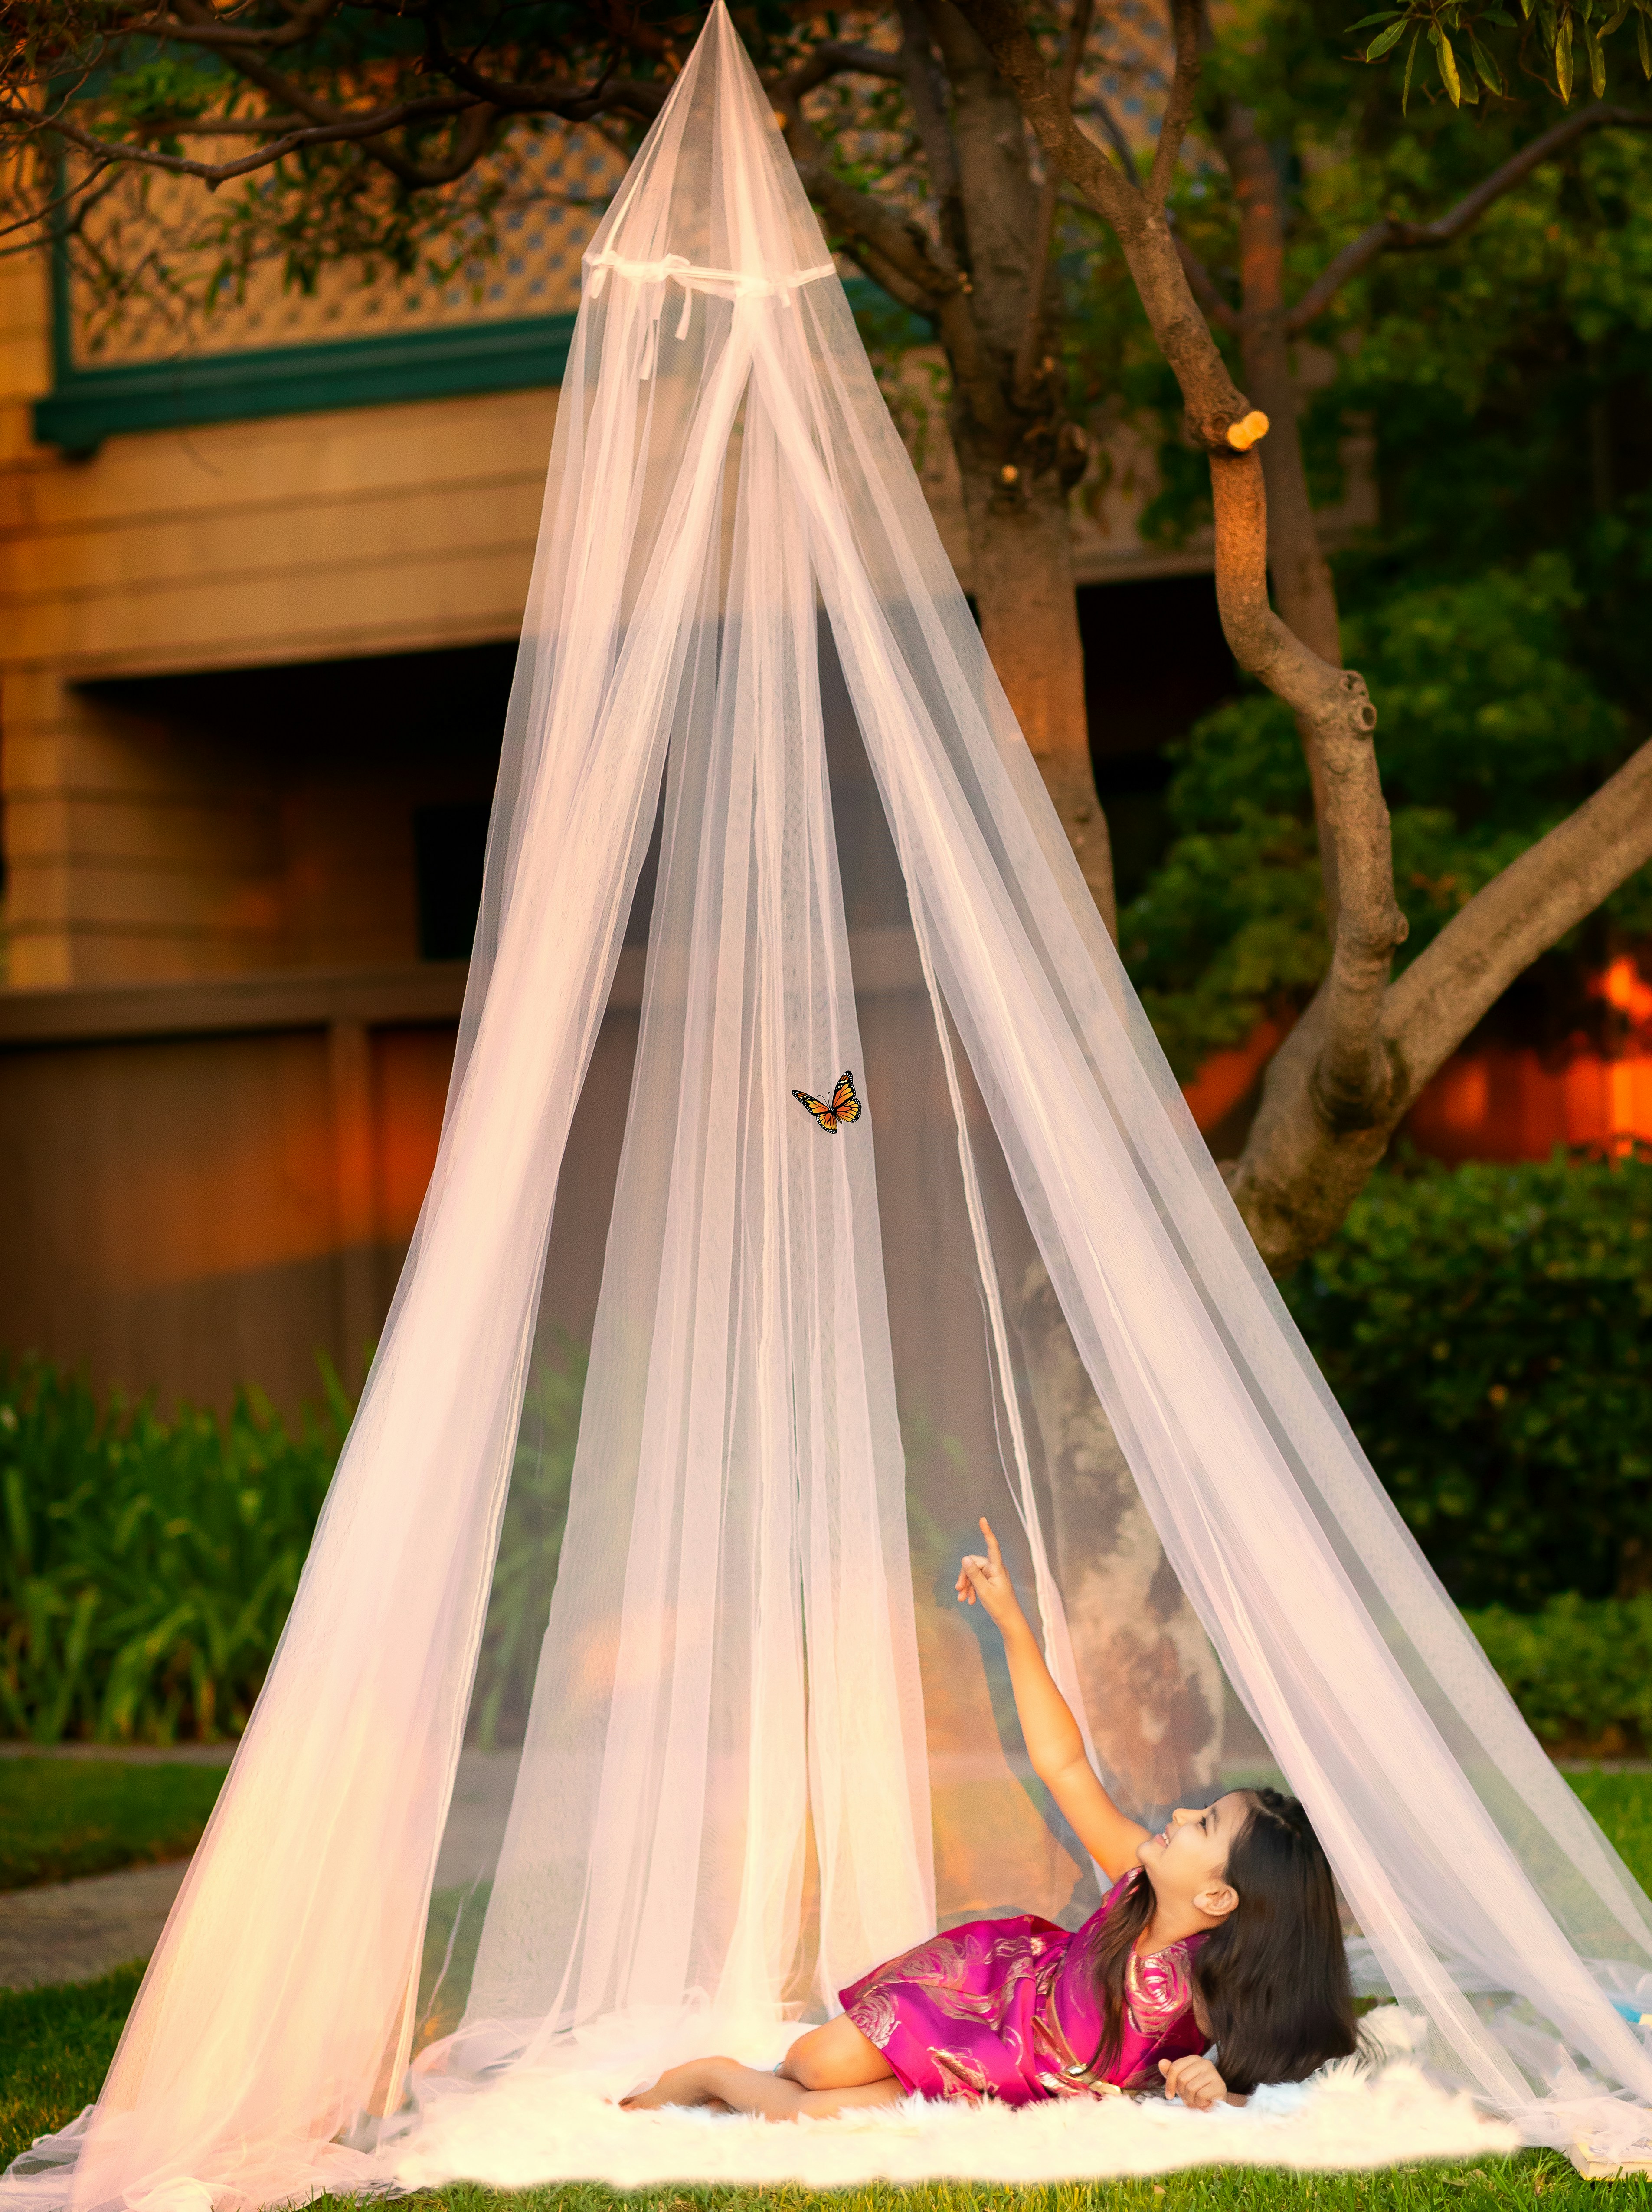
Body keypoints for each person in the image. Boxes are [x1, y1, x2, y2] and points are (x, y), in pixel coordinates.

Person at [621, 1517, 1358, 2120]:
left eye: (1202, 1825)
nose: (1178, 1812)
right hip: (986, 1996)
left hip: (1004, 2084)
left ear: (1217, 1899)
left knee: (828, 2122)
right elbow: (1064, 1766)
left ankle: (711, 2078)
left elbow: (1258, 2095)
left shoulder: (1215, 1995)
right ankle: (743, 2074)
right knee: (813, 2066)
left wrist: (1213, 2087)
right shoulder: (1136, 1876)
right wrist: (1011, 1623)